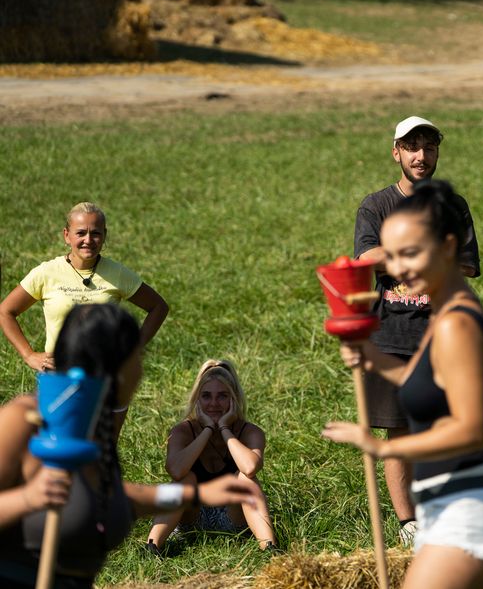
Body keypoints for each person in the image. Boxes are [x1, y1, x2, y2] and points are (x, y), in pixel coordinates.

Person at [324, 180, 483, 589]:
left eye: (411, 254)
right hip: (450, 501)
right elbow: (420, 382)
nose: (398, 269)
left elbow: (470, 430)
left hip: (474, 503)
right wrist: (373, 357)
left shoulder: (456, 323)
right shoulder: (445, 313)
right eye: (394, 256)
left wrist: (383, 447)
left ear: (449, 247)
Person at [0, 304, 259, 588]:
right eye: (139, 356)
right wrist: (29, 498)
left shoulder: (96, 427)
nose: (142, 369)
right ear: (117, 364)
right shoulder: (25, 419)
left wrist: (197, 493)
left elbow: (110, 498)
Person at [352, 116, 481, 545]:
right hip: (391, 336)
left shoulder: (453, 206)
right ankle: (409, 524)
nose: (421, 156)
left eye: (428, 147)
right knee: (399, 430)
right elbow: (365, 257)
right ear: (396, 153)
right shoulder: (376, 206)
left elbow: (466, 265)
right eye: (412, 147)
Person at [0, 202, 168, 434]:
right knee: (60, 445)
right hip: (60, 376)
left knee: (102, 452)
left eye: (96, 233)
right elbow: (5, 311)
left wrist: (132, 349)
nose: (88, 239)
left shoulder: (117, 273)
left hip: (108, 378)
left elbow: (158, 307)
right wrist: (29, 355)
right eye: (81, 233)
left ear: (104, 236)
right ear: (67, 235)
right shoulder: (46, 273)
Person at [146, 359, 277, 554]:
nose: (214, 403)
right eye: (206, 396)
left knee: (244, 479)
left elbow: (250, 468)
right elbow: (175, 470)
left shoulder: (250, 432)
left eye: (222, 396)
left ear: (234, 399)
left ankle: (270, 548)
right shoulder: (183, 431)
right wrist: (207, 429)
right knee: (185, 480)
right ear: (197, 399)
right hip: (192, 518)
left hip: (234, 519)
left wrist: (224, 428)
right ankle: (152, 546)